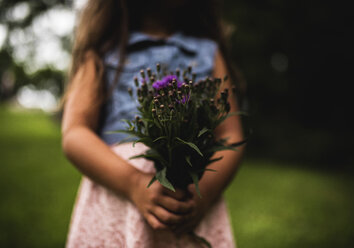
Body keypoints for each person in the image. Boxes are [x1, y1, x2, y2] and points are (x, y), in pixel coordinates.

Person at [62, 0, 245, 247]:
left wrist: (203, 195)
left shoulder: (208, 53)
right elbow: (75, 133)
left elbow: (231, 135)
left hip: (191, 206)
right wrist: (134, 184)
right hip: (119, 202)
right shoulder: (102, 53)